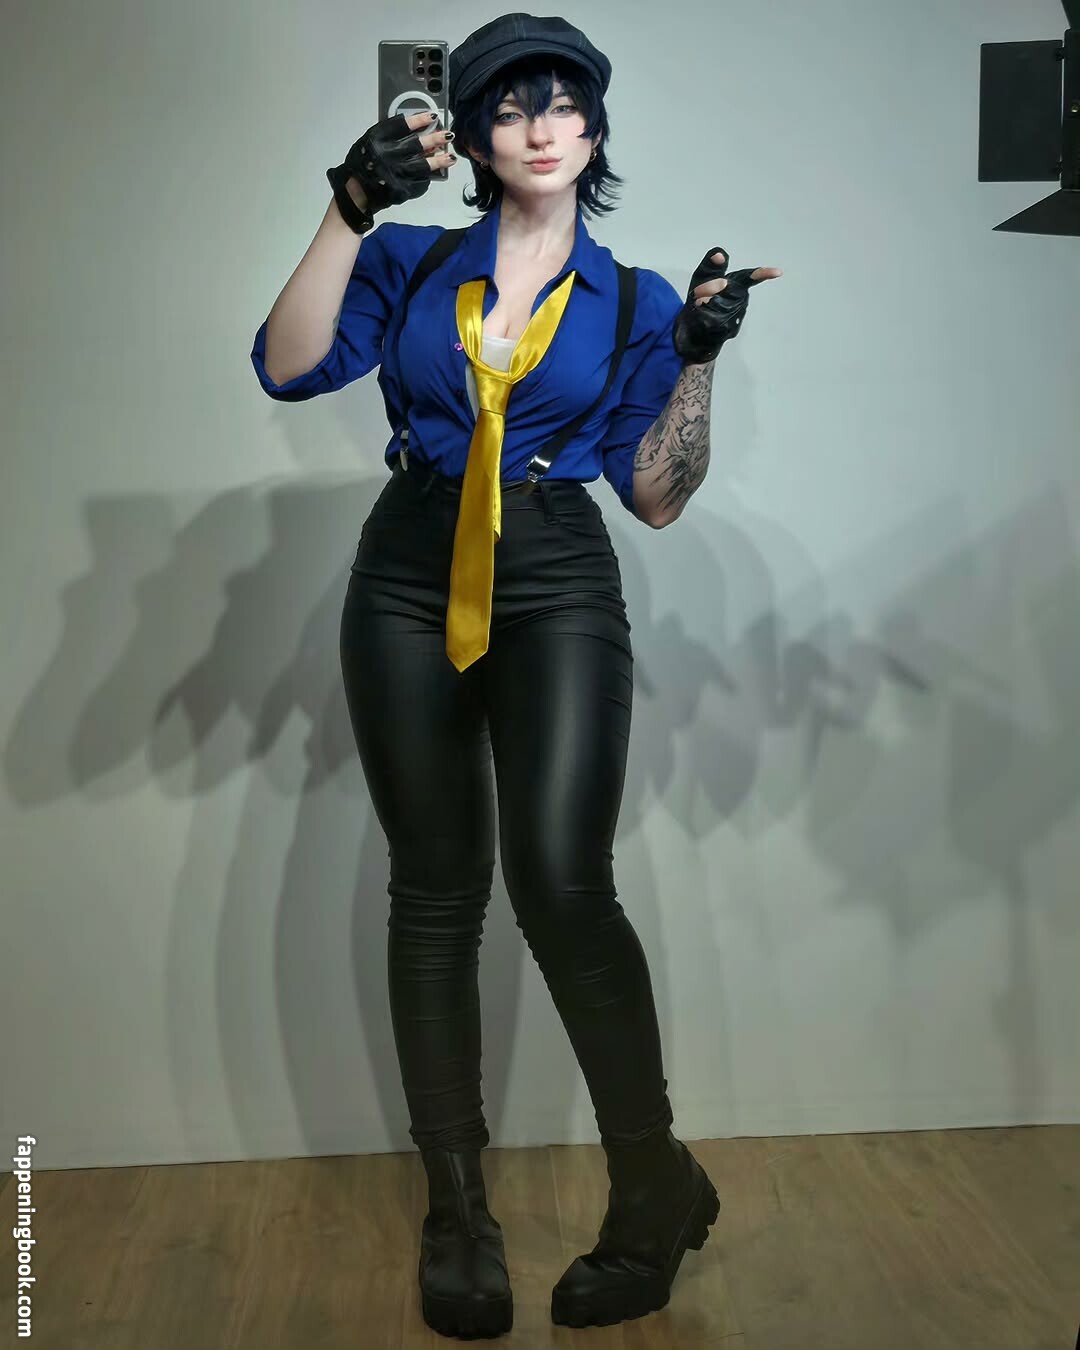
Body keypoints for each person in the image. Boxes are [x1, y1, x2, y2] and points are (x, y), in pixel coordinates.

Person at [251, 12, 780, 1339]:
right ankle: (458, 1212)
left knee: (559, 879)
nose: (540, 127)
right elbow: (287, 364)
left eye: (563, 102)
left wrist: (698, 360)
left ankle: (653, 1185)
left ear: (593, 127)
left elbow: (656, 494)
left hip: (554, 572)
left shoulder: (636, 300)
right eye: (510, 106)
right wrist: (348, 205)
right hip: (406, 571)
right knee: (435, 889)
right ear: (477, 137)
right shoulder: (415, 262)